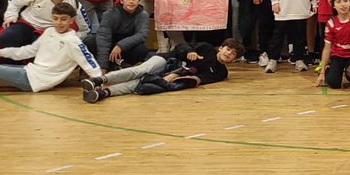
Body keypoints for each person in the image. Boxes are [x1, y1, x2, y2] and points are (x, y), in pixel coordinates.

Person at [0, 3, 101, 92]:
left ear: (72, 20)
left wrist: (98, 81)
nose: (59, 23)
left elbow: (89, 62)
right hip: (31, 71)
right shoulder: (50, 31)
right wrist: (0, 52)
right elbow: (28, 51)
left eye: (63, 19)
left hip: (37, 81)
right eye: (55, 19)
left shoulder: (73, 41)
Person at [81, 38, 235, 102]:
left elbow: (201, 79)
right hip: (165, 60)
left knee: (137, 84)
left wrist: (177, 77)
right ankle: (99, 80)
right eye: (228, 49)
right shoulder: (206, 48)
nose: (229, 53)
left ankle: (104, 93)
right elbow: (180, 46)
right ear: (221, 48)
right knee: (141, 70)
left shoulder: (222, 72)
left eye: (233, 54)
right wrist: (189, 51)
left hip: (172, 76)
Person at [86, 0, 149, 71]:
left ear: (139, 0)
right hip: (109, 46)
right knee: (89, 41)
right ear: (121, 0)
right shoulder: (109, 14)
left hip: (125, 47)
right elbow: (104, 38)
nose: (131, 1)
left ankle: (121, 65)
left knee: (142, 49)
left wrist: (120, 46)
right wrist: (103, 66)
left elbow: (141, 35)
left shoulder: (143, 15)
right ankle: (107, 65)